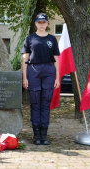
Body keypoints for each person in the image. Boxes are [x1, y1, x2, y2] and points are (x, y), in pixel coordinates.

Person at [21, 13, 60, 145]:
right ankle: (36, 135)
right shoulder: (30, 38)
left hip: (49, 71)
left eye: (44, 22)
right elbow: (25, 59)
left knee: (46, 102)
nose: (42, 24)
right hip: (34, 70)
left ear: (47, 23)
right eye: (39, 22)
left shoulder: (52, 39)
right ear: (36, 24)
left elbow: (57, 60)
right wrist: (25, 77)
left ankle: (44, 135)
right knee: (35, 102)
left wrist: (57, 78)